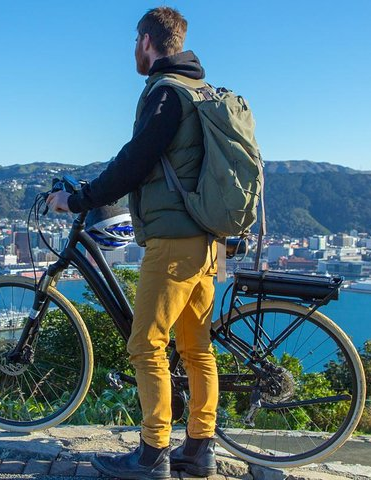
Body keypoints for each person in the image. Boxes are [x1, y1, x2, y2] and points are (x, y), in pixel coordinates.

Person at [46, 6, 218, 480]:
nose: (132, 52)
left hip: (173, 239)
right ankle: (200, 449)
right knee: (196, 347)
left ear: (146, 40)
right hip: (207, 238)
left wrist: (79, 197)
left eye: (134, 43)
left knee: (146, 345)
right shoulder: (202, 90)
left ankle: (152, 454)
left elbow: (134, 161)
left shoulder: (166, 94)